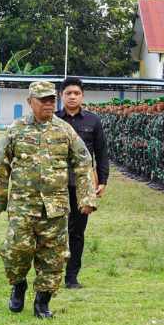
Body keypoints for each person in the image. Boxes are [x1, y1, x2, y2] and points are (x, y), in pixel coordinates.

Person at [0, 81, 97, 319]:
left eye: (51, 100)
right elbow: (1, 165)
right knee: (16, 250)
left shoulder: (65, 130)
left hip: (55, 206)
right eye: (43, 100)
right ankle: (18, 285)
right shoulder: (16, 129)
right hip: (22, 205)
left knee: (53, 256)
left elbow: (83, 162)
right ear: (30, 102)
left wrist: (86, 197)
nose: (48, 104)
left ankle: (42, 301)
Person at [56, 77, 109, 289]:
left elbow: (101, 152)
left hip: (82, 185)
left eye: (76, 93)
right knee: (54, 230)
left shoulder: (93, 121)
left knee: (77, 232)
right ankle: (53, 273)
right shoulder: (53, 119)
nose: (72, 97)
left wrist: (102, 180)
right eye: (68, 93)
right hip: (56, 183)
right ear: (61, 96)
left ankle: (71, 277)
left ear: (82, 96)